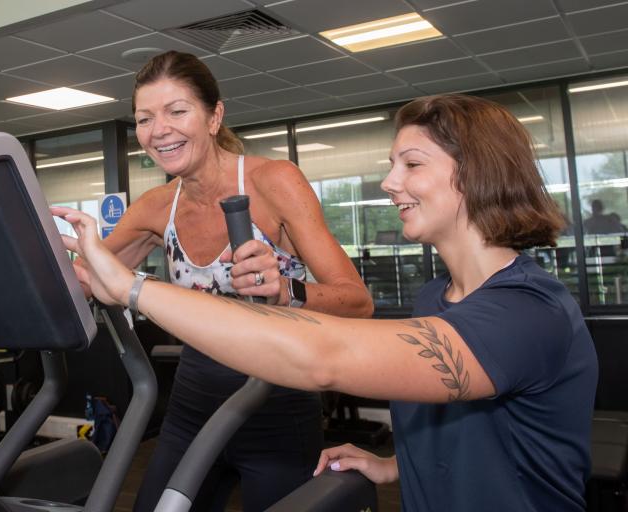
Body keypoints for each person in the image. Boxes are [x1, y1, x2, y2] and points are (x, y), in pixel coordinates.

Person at [53, 93, 598, 511]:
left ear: (479, 174)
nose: (388, 182)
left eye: (411, 165)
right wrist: (394, 466)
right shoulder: (439, 295)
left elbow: (323, 356)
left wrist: (133, 289)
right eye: (391, 164)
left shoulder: (529, 311)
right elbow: (481, 434)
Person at [79, 50, 374, 511]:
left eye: (177, 111)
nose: (159, 130)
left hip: (278, 404)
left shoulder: (273, 182)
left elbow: (357, 301)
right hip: (193, 404)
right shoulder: (157, 207)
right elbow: (88, 274)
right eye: (144, 118)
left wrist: (285, 291)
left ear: (214, 116)